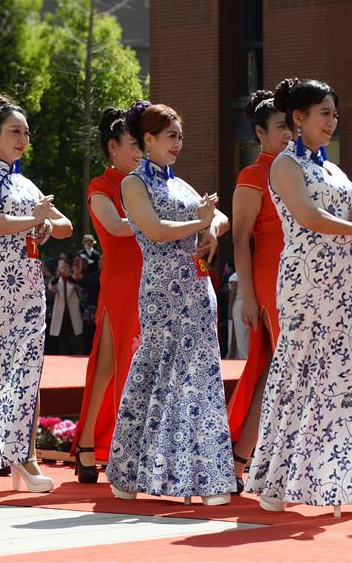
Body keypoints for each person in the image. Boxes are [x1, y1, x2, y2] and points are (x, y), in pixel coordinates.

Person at [246, 78, 352, 518]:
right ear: (298, 118)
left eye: (334, 113)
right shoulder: (284, 165)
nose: (332, 120)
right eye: (324, 112)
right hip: (306, 283)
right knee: (296, 376)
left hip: (345, 281)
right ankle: (273, 479)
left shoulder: (333, 168)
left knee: (350, 378)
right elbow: (308, 216)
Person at [107, 101, 234, 506]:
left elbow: (220, 217)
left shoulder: (180, 184)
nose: (178, 143)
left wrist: (211, 227)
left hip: (197, 290)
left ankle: (206, 479)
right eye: (171, 136)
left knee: (201, 379)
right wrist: (201, 222)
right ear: (148, 140)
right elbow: (156, 231)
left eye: (180, 136)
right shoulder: (133, 183)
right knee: (156, 373)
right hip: (162, 291)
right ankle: (128, 472)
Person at [0, 94, 73, 493]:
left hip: (29, 281)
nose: (22, 138)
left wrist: (43, 224)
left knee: (28, 366)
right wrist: (35, 219)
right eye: (14, 131)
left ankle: (24, 456)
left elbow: (66, 226)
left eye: (25, 132)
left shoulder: (26, 181)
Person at [72, 107, 143, 483]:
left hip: (155, 280)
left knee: (125, 365)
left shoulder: (152, 181)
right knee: (111, 367)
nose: (140, 151)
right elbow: (114, 227)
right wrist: (156, 220)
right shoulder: (101, 186)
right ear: (113, 147)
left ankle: (98, 445)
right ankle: (97, 445)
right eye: (134, 144)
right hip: (121, 281)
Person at [225, 89, 292, 490]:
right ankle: (265, 464)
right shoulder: (253, 175)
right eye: (281, 127)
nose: (288, 134)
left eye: (291, 126)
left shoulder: (299, 168)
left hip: (303, 276)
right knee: (282, 367)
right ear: (260, 133)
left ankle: (238, 461)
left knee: (271, 370)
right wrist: (248, 295)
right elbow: (239, 240)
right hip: (271, 277)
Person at [47, 259, 83, 355]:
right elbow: (51, 287)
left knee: (76, 339)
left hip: (73, 314)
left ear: (70, 268)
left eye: (66, 267)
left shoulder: (73, 278)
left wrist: (72, 277)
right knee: (63, 341)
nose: (64, 269)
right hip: (61, 315)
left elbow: (79, 285)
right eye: (62, 267)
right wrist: (57, 276)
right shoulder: (56, 280)